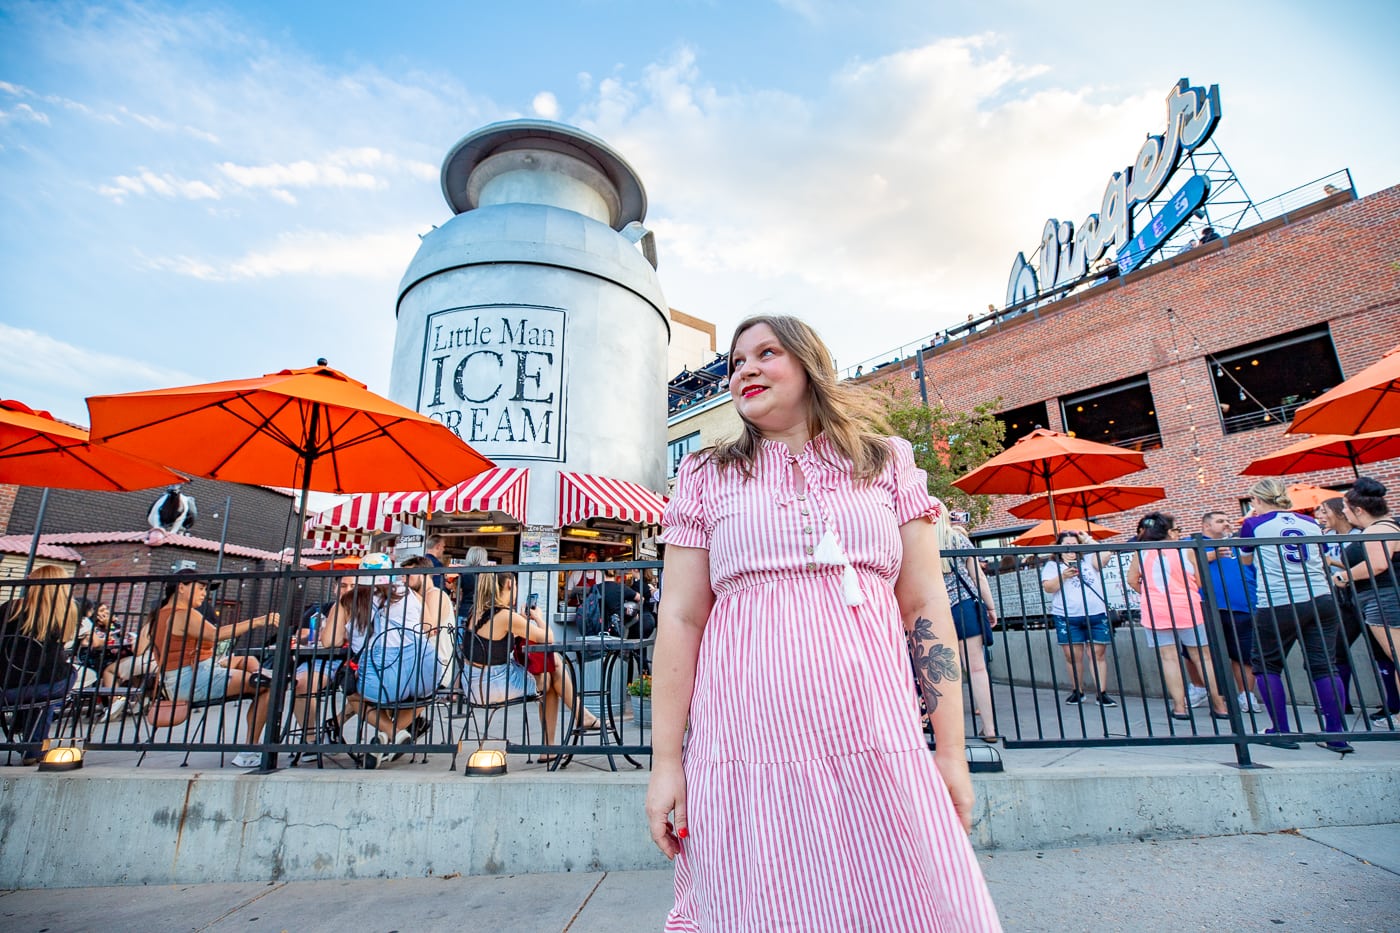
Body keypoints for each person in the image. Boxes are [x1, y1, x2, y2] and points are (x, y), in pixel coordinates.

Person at [645, 315, 999, 930]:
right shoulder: (707, 474)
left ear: (810, 364)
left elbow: (923, 607)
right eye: (735, 362)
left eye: (765, 353)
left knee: (905, 906)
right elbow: (679, 618)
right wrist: (666, 764)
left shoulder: (887, 463)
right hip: (745, 747)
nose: (744, 369)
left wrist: (952, 752)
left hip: (874, 738)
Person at [1238, 479, 1351, 754]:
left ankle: (1281, 730)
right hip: (1320, 597)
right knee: (1325, 665)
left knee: (1267, 664)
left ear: (1257, 500)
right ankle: (1336, 734)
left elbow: (1245, 560)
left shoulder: (1254, 525)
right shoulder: (1310, 522)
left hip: (1279, 600)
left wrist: (1251, 519)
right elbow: (1321, 556)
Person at [147, 569, 279, 768]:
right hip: (191, 678)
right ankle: (250, 750)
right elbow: (216, 634)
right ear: (181, 587)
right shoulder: (182, 614)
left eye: (205, 589)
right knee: (267, 686)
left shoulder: (162, 613)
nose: (204, 593)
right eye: (200, 588)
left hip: (183, 676)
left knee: (248, 660)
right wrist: (259, 621)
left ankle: (256, 676)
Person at [461, 571, 600, 758]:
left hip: (472, 683)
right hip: (493, 685)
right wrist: (539, 617)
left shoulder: (475, 612)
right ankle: (566, 729)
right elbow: (548, 638)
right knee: (553, 668)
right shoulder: (503, 615)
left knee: (551, 669)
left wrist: (520, 624)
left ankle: (560, 737)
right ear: (510, 584)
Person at [338, 553, 439, 767]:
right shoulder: (411, 595)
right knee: (423, 696)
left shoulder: (351, 600)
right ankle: (390, 739)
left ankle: (391, 733)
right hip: (416, 675)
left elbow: (331, 640)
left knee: (355, 696)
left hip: (379, 680)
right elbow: (430, 629)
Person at [1126, 513, 1228, 721]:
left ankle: (1180, 707)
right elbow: (1199, 581)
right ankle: (1219, 705)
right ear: (1168, 531)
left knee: (1169, 658)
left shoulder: (1141, 552)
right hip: (1186, 606)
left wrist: (1149, 592)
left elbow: (1132, 580)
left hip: (1156, 608)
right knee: (1203, 657)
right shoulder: (1186, 550)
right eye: (1177, 529)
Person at [1334, 478, 1400, 725]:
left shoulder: (1377, 529)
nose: (1345, 513)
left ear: (1358, 510)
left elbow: (1378, 563)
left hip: (1384, 600)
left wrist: (1343, 576)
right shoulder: (1387, 526)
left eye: (1346, 509)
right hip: (1384, 599)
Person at [0, 565, 80, 765]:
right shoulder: (62, 614)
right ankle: (33, 749)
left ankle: (26, 734)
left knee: (39, 691)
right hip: (41, 687)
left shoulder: (10, 608)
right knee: (65, 677)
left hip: (5, 689)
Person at [938, 511, 1003, 740]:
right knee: (976, 669)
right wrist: (991, 607)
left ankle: (949, 734)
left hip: (935, 609)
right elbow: (979, 578)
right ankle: (990, 728)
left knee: (943, 671)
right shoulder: (959, 539)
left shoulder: (921, 542)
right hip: (964, 607)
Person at [1041, 529, 1115, 706]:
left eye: (1075, 544)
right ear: (1059, 547)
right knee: (1073, 656)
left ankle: (1101, 692)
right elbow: (1049, 587)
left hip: (1095, 613)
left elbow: (1106, 554)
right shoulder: (1052, 566)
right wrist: (1064, 576)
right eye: (1067, 545)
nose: (1071, 548)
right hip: (1067, 616)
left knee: (1097, 654)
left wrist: (1088, 539)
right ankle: (1078, 690)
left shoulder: (1089, 560)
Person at [1199, 511, 1262, 712]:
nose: (1226, 524)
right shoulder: (1193, 543)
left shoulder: (1240, 544)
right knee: (1206, 654)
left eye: (1227, 520)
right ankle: (1211, 694)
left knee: (1243, 655)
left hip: (1242, 607)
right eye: (1220, 521)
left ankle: (1246, 695)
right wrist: (1211, 555)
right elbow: (1185, 564)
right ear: (1206, 525)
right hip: (1208, 608)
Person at [401, 555, 459, 690]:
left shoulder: (434, 595)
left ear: (423, 575)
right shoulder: (418, 597)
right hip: (419, 664)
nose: (404, 579)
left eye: (408, 575)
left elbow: (427, 630)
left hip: (434, 667)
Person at [595, 567, 654, 638]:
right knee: (639, 646)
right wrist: (633, 612)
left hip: (600, 623)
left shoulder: (595, 588)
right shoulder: (647, 585)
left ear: (602, 573)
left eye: (631, 569)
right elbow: (641, 599)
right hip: (645, 618)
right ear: (615, 574)